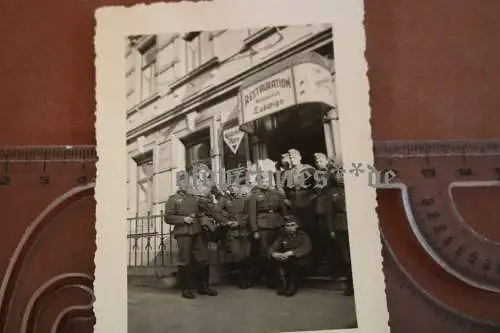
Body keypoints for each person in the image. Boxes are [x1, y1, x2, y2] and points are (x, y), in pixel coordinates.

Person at [163, 178, 218, 299]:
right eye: (182, 183)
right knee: (185, 260)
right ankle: (186, 289)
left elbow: (207, 209)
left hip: (197, 230)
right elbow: (168, 217)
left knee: (203, 258)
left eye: (187, 183)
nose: (185, 185)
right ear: (178, 185)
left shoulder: (194, 197)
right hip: (183, 232)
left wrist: (206, 195)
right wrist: (183, 219)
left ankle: (203, 287)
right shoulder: (173, 199)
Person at [248, 160, 287, 288]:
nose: (265, 183)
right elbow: (252, 215)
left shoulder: (276, 194)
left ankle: (282, 277)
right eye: (262, 181)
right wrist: (255, 231)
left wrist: (285, 222)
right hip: (263, 227)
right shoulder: (254, 196)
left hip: (278, 224)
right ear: (258, 183)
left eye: (266, 181)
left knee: (279, 249)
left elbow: (283, 210)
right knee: (266, 253)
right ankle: (271, 279)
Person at [313, 152, 345, 278]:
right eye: (316, 160)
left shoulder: (333, 172)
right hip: (321, 209)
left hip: (333, 207)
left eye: (321, 159)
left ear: (327, 160)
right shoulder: (315, 174)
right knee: (326, 239)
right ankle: (334, 267)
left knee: (337, 240)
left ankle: (341, 267)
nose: (318, 162)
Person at [217, 184, 253, 289]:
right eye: (230, 187)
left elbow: (248, 214)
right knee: (238, 254)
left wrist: (240, 223)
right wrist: (226, 221)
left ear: (238, 188)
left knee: (247, 254)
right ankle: (241, 279)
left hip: (245, 231)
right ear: (228, 189)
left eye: (235, 186)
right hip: (232, 232)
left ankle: (249, 278)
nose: (233, 189)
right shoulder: (223, 200)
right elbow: (216, 212)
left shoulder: (244, 199)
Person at [268, 215, 312, 297]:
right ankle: (283, 283)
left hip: (300, 259)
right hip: (287, 259)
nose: (290, 228)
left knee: (293, 262)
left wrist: (292, 253)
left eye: (292, 225)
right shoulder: (283, 236)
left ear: (297, 226)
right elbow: (273, 247)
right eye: (287, 226)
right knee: (276, 260)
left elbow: (307, 247)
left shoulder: (302, 235)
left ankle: (292, 285)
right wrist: (274, 254)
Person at [330, 173, 354, 296]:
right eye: (338, 176)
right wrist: (331, 229)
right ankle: (349, 285)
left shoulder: (355, 188)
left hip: (355, 225)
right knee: (346, 258)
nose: (340, 178)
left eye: (343, 175)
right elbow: (329, 212)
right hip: (340, 225)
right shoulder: (333, 192)